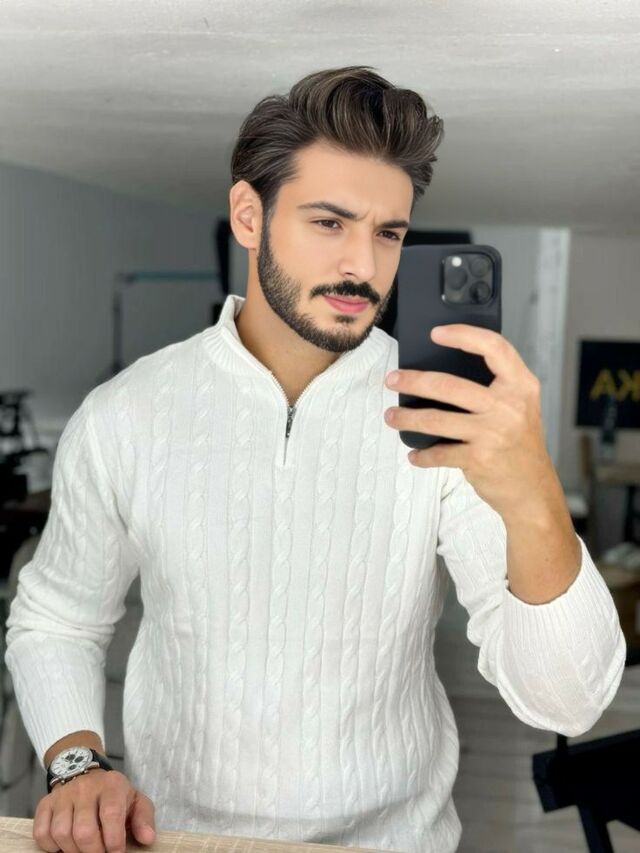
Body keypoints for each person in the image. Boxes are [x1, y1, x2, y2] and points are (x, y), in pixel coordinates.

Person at [5, 65, 626, 853]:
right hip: (181, 838)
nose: (363, 264)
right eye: (330, 222)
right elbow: (58, 616)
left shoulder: (449, 421)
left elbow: (568, 702)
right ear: (249, 215)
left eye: (389, 232)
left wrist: (534, 491)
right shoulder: (123, 414)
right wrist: (75, 762)